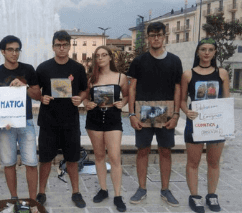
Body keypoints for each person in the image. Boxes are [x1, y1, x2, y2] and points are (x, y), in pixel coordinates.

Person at [126, 22, 184, 207]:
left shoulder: (174, 61)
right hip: (143, 114)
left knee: (165, 151)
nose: (156, 38)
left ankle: (165, 190)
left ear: (164, 36)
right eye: (152, 35)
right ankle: (141, 188)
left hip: (166, 115)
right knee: (142, 151)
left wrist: (176, 115)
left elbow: (178, 88)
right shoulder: (139, 61)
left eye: (159, 35)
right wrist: (132, 115)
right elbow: (132, 87)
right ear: (148, 38)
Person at [34, 31, 89, 209]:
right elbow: (35, 91)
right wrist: (41, 98)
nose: (62, 48)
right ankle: (41, 192)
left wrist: (80, 98)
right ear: (53, 46)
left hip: (70, 122)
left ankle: (76, 192)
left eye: (65, 45)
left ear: (69, 46)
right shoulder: (43, 68)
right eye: (58, 45)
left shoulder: (78, 68)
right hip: (48, 122)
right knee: (45, 160)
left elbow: (84, 90)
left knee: (72, 159)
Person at [0, 36, 41, 206]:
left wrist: (25, 86)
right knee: (9, 163)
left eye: (17, 49)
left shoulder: (28, 69)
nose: (14, 53)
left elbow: (38, 95)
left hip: (26, 121)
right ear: (2, 51)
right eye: (10, 49)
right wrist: (1, 119)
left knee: (31, 162)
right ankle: (14, 197)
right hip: (5, 125)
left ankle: (33, 200)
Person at [180, 38, 230, 213]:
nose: (207, 53)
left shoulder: (222, 73)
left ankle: (211, 195)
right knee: (193, 162)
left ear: (215, 52)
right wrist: (187, 111)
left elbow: (226, 100)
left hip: (216, 124)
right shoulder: (188, 74)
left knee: (213, 162)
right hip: (195, 123)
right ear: (198, 52)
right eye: (203, 49)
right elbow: (182, 101)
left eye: (210, 49)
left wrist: (227, 122)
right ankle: (194, 196)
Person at [83, 46, 130, 211]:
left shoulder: (120, 77)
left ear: (110, 57)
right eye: (98, 56)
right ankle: (103, 190)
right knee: (99, 156)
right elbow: (85, 99)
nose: (101, 58)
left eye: (104, 55)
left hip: (113, 120)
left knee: (115, 158)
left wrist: (122, 103)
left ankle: (118, 195)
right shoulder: (91, 79)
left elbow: (127, 95)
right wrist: (86, 104)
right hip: (94, 120)